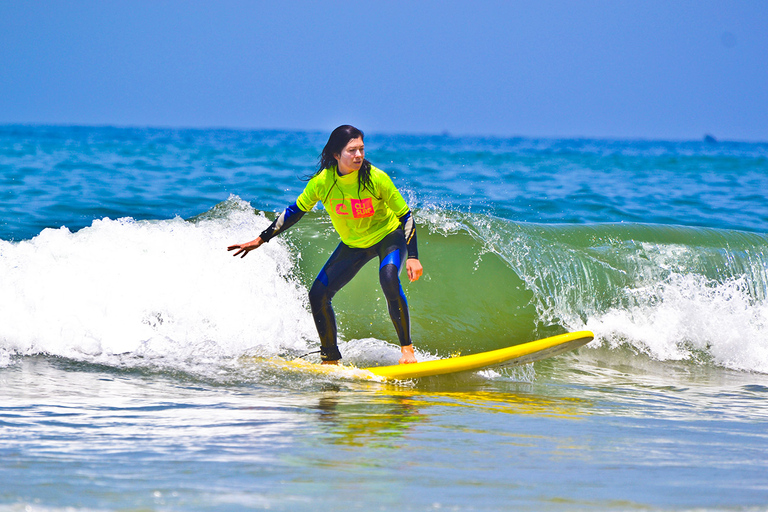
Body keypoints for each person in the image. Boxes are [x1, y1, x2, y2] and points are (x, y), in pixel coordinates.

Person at [228, 125, 423, 365]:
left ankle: (407, 351)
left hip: (388, 237)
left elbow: (406, 216)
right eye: (352, 150)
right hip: (353, 244)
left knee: (389, 276)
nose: (359, 155)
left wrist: (412, 256)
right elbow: (295, 211)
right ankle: (330, 358)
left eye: (361, 149)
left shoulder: (376, 178)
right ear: (336, 154)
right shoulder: (324, 182)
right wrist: (261, 239)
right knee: (318, 294)